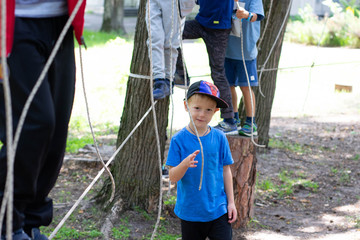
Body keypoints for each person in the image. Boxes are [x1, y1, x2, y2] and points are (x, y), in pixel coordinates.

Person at [0, 0, 86, 239]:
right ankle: (7, 221)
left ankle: (29, 221)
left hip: (61, 23)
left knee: (57, 130)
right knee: (34, 124)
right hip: (15, 24)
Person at [166, 80, 237, 240]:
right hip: (190, 212)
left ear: (216, 111)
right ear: (186, 106)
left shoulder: (219, 137)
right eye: (197, 108)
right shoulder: (178, 140)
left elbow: (226, 170)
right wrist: (184, 164)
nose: (202, 114)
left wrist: (231, 202)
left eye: (208, 110)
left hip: (219, 209)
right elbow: (172, 177)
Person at [175, 0, 239, 134]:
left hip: (219, 28)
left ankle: (229, 120)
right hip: (201, 23)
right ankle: (181, 75)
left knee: (218, 73)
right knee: (173, 34)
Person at [225, 0, 264, 137]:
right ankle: (232, 119)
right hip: (227, 50)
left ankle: (250, 122)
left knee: (246, 87)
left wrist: (246, 14)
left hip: (245, 53)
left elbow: (257, 16)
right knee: (229, 86)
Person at [146, 0, 195, 100]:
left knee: (170, 42)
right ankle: (159, 80)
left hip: (174, 3)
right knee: (154, 39)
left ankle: (168, 80)